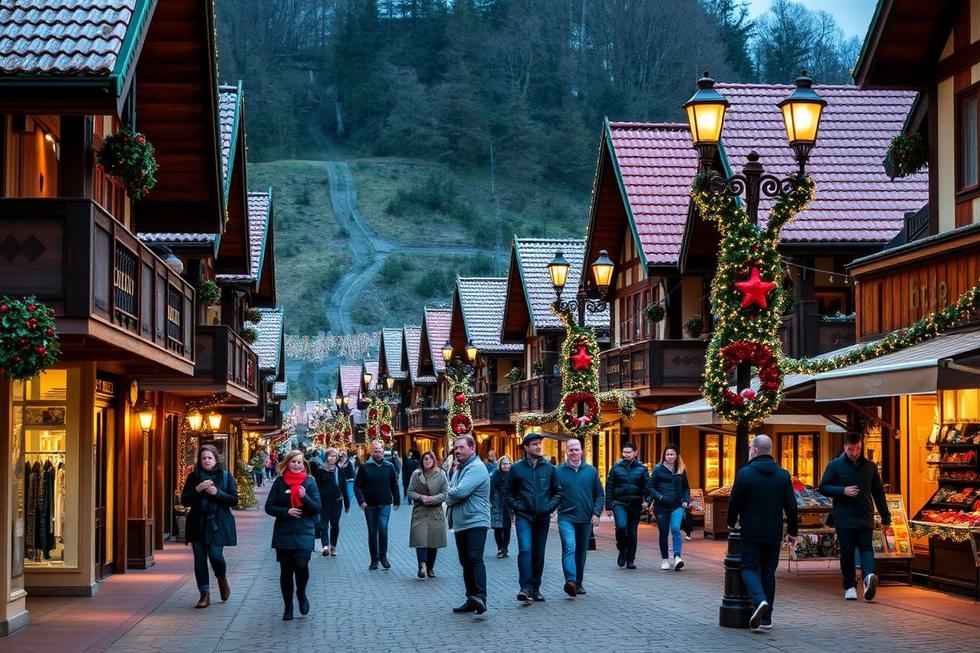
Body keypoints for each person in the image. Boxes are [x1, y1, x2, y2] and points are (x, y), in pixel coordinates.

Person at [727, 435, 799, 631]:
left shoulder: (745, 473)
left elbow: (735, 501)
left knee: (748, 568)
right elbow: (792, 507)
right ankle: (767, 619)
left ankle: (759, 600)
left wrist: (731, 522)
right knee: (769, 572)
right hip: (773, 531)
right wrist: (792, 532)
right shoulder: (783, 475)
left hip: (751, 530)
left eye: (751, 448)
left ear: (755, 451)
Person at [819, 432, 891, 602]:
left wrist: (885, 517)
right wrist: (842, 491)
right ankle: (850, 585)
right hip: (844, 516)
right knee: (847, 551)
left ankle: (867, 579)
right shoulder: (835, 465)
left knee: (866, 547)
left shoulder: (870, 466)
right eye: (851, 449)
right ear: (844, 447)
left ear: (861, 446)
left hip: (865, 514)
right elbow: (823, 487)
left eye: (858, 448)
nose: (854, 453)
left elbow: (878, 493)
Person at [504, 433, 562, 603]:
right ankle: (525, 587)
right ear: (526, 447)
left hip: (542, 517)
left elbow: (558, 492)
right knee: (525, 550)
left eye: (540, 444)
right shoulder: (516, 468)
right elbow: (507, 492)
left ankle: (536, 588)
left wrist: (549, 507)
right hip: (524, 516)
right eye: (535, 444)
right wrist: (518, 507)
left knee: (538, 554)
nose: (538, 447)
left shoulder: (550, 469)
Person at [180, 444, 239, 609]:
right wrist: (198, 489)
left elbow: (234, 500)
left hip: (217, 523)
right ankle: (204, 594)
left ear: (215, 459)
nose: (206, 460)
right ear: (199, 460)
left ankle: (221, 578)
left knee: (216, 556)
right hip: (197, 523)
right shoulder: (193, 477)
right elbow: (184, 500)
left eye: (209, 458)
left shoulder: (225, 476)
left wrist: (217, 493)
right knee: (200, 559)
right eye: (203, 458)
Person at [265, 450, 321, 620]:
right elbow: (269, 507)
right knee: (286, 571)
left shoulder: (310, 482)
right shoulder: (280, 483)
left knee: (302, 565)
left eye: (299, 462)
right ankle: (288, 607)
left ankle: (301, 593)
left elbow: (317, 508)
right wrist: (286, 511)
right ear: (287, 463)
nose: (296, 465)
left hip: (304, 530)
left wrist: (304, 497)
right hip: (284, 532)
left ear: (304, 465)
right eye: (293, 462)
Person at [445, 435, 491, 614]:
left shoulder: (477, 468)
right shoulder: (459, 469)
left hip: (475, 520)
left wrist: (447, 495)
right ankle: (471, 598)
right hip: (462, 522)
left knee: (475, 558)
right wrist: (451, 493)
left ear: (472, 449)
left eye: (461, 447)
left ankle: (481, 597)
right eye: (455, 448)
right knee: (465, 561)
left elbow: (460, 492)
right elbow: (453, 490)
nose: (457, 451)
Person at [555, 439, 604, 597]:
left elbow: (599, 494)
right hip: (566, 517)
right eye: (571, 450)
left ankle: (579, 583)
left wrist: (596, 513)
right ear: (566, 452)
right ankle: (571, 581)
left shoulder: (591, 471)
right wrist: (551, 508)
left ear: (582, 451)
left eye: (576, 450)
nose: (574, 453)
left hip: (585, 518)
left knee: (581, 552)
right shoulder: (558, 472)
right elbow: (552, 492)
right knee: (569, 547)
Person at [354, 441, 400, 570]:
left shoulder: (389, 466)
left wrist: (396, 500)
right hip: (369, 505)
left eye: (380, 451)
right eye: (375, 451)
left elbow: (394, 485)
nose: (378, 453)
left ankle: (383, 557)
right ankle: (374, 559)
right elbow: (357, 486)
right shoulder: (364, 467)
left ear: (383, 451)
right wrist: (361, 501)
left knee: (383, 529)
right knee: (372, 532)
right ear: (371, 452)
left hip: (385, 503)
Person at [646, 444, 691, 571]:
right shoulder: (658, 469)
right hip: (661, 507)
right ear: (664, 455)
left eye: (672, 454)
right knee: (664, 532)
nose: (669, 456)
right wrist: (659, 497)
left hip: (677, 505)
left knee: (676, 529)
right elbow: (650, 487)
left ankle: (677, 557)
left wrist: (686, 499)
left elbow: (686, 487)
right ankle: (665, 559)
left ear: (677, 456)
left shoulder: (681, 470)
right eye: (667, 454)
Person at [605, 442, 648, 569]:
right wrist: (608, 506)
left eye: (629, 452)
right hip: (619, 503)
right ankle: (622, 548)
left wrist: (648, 501)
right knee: (621, 527)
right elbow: (610, 486)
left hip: (635, 504)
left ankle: (630, 559)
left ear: (635, 453)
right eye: (624, 452)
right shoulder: (616, 468)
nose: (626, 454)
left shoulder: (642, 469)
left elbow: (647, 486)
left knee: (632, 533)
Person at [408, 451, 449, 578]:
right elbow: (410, 491)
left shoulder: (441, 474)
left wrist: (432, 499)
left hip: (435, 512)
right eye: (425, 459)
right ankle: (422, 565)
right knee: (420, 540)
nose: (427, 461)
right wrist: (421, 497)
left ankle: (430, 567)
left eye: (430, 459)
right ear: (422, 460)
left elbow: (445, 494)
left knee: (433, 541)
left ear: (434, 460)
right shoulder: (416, 474)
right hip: (420, 511)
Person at [312, 447, 349, 556]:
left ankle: (333, 546)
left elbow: (344, 487)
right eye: (330, 455)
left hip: (337, 502)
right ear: (326, 457)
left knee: (335, 524)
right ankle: (325, 547)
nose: (332, 458)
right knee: (323, 525)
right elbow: (315, 486)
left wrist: (347, 503)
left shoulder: (339, 470)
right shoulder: (320, 470)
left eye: (334, 456)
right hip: (323, 502)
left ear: (337, 458)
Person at [489, 455, 513, 558]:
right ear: (500, 464)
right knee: (497, 528)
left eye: (508, 464)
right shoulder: (496, 474)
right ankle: (500, 547)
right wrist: (490, 501)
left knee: (507, 528)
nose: (506, 466)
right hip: (497, 504)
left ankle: (505, 548)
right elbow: (491, 488)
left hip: (507, 504)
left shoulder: (512, 475)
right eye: (504, 464)